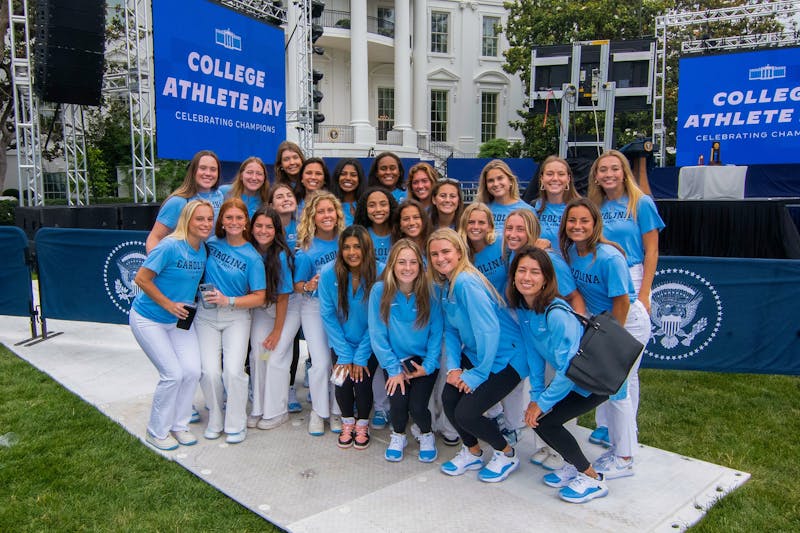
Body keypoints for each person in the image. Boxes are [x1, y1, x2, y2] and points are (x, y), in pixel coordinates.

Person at [509, 245, 610, 504]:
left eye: (535, 272)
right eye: (521, 270)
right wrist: (535, 397)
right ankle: (573, 464)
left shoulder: (556, 314)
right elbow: (534, 357)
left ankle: (592, 478)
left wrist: (541, 404)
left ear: (546, 279)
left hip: (592, 382)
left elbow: (566, 369)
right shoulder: (525, 308)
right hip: (573, 379)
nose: (527, 277)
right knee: (541, 419)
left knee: (545, 422)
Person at [559, 198, 650, 480]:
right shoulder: (572, 251)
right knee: (610, 391)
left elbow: (621, 302)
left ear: (595, 224)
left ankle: (624, 458)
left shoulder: (609, 257)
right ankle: (618, 447)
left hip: (625, 324)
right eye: (572, 220)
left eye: (584, 221)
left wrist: (612, 340)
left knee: (617, 389)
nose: (577, 226)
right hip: (602, 325)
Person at [428, 228, 527, 483]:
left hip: (507, 358)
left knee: (467, 413)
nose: (440, 258)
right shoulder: (445, 284)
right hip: (479, 354)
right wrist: (453, 369)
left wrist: (478, 374)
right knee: (449, 398)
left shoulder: (465, 282)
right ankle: (472, 451)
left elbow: (489, 330)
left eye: (446, 251)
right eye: (435, 254)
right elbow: (450, 329)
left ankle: (506, 453)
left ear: (459, 252)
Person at [587, 150, 665, 448]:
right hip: (601, 279)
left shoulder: (640, 202)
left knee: (626, 358)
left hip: (631, 277)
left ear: (624, 172)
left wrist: (645, 292)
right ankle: (605, 424)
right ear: (596, 175)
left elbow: (652, 251)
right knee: (603, 354)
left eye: (614, 169)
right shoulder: (596, 205)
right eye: (602, 169)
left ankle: (626, 427)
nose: (608, 174)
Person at [130, 200, 213, 450]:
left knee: (191, 371)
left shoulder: (203, 249)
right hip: (149, 318)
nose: (206, 224)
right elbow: (141, 279)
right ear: (187, 220)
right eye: (200, 219)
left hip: (179, 321)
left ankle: (179, 425)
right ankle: (157, 431)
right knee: (172, 375)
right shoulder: (169, 246)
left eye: (209, 219)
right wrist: (168, 304)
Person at [195, 198, 266, 444]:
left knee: (233, 371)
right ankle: (215, 417)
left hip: (236, 316)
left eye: (239, 218)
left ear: (246, 221)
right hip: (205, 316)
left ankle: (235, 422)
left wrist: (230, 301)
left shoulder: (253, 256)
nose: (234, 222)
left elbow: (260, 297)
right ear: (221, 221)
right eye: (229, 218)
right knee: (210, 372)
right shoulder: (210, 244)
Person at [369, 239, 443, 462]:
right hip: (395, 359)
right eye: (401, 262)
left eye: (413, 262)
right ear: (391, 265)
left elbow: (436, 333)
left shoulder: (431, 291)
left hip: (422, 360)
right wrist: (393, 369)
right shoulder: (380, 291)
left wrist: (428, 366)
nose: (407, 268)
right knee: (399, 403)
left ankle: (426, 434)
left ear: (421, 266)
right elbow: (378, 334)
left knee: (418, 406)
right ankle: (398, 435)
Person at [319, 225, 381, 450]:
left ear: (366, 249)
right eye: (346, 247)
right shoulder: (328, 272)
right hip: (342, 341)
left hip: (370, 342)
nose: (352, 252)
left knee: (362, 381)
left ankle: (362, 423)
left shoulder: (380, 272)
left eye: (357, 247)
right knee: (343, 381)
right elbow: (327, 314)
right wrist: (344, 354)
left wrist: (361, 356)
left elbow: (378, 320)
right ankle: (347, 422)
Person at [292, 192, 346, 435]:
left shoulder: (346, 241)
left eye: (330, 210)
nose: (326, 215)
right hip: (314, 308)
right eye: (321, 211)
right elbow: (297, 285)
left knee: (340, 361)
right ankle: (319, 411)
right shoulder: (306, 247)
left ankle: (337, 411)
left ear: (337, 214)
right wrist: (309, 286)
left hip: (343, 308)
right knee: (321, 362)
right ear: (313, 217)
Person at [247, 207, 296, 430]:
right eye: (259, 225)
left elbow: (284, 297)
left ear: (277, 230)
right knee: (259, 354)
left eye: (269, 226)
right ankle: (258, 407)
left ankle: (278, 410)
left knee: (275, 356)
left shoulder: (281, 254)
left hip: (286, 308)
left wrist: (277, 331)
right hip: (262, 307)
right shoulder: (249, 249)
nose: (263, 230)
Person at [146, 150, 224, 253]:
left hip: (209, 262)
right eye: (203, 168)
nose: (208, 173)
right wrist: (156, 266)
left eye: (213, 169)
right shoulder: (178, 201)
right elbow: (155, 237)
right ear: (193, 171)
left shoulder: (219, 196)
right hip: (184, 263)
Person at [268, 182, 303, 413]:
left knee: (287, 344)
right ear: (271, 204)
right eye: (279, 196)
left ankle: (288, 388)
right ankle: (263, 388)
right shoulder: (265, 227)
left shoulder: (303, 228)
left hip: (295, 297)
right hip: (269, 297)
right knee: (266, 347)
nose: (285, 199)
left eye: (289, 195)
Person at [476, 159, 535, 236]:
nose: (496, 184)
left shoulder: (528, 211)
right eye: (490, 180)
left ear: (510, 181)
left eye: (500, 178)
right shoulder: (481, 210)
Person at [458, 202, 505, 295]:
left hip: (507, 306)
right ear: (464, 225)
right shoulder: (459, 252)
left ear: (490, 226)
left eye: (481, 223)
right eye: (471, 222)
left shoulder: (502, 243)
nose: (476, 227)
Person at [534, 155, 580, 248]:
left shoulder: (581, 208)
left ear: (568, 179)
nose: (555, 178)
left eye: (561, 174)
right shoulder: (533, 207)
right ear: (542, 178)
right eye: (549, 174)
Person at [354, 186, 398, 265]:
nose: (378, 209)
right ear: (365, 209)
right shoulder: (359, 236)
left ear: (390, 206)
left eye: (383, 204)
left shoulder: (400, 233)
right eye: (372, 205)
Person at [330, 158, 367, 226]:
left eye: (353, 175)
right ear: (337, 177)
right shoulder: (329, 204)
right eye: (343, 174)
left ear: (360, 179)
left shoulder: (367, 204)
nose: (348, 178)